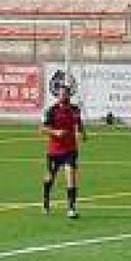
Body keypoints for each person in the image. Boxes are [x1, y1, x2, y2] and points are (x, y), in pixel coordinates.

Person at [40, 85, 87, 219]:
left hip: (70, 150)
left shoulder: (75, 109)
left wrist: (82, 133)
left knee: (71, 178)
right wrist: (55, 132)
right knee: (50, 178)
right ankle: (45, 202)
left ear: (69, 95)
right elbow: (42, 129)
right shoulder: (51, 111)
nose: (63, 96)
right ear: (57, 96)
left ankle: (71, 208)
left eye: (65, 94)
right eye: (61, 94)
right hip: (54, 151)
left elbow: (78, 123)